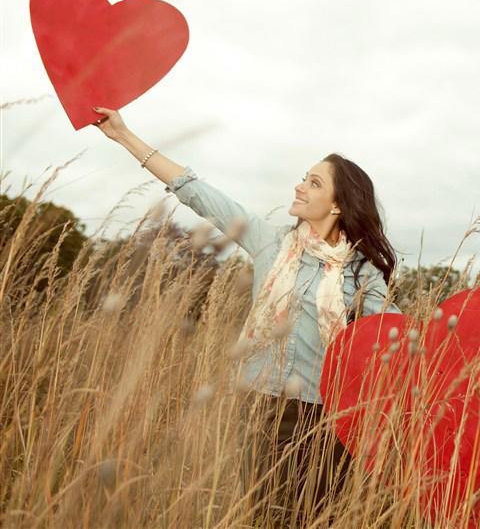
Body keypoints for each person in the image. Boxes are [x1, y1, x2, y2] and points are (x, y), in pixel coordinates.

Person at [91, 105, 399, 526]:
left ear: (337, 206)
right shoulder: (270, 242)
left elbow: (397, 337)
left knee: (317, 517)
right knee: (264, 516)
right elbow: (195, 191)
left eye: (313, 183)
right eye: (303, 178)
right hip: (260, 407)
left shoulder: (361, 271)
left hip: (325, 417)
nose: (299, 187)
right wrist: (125, 136)